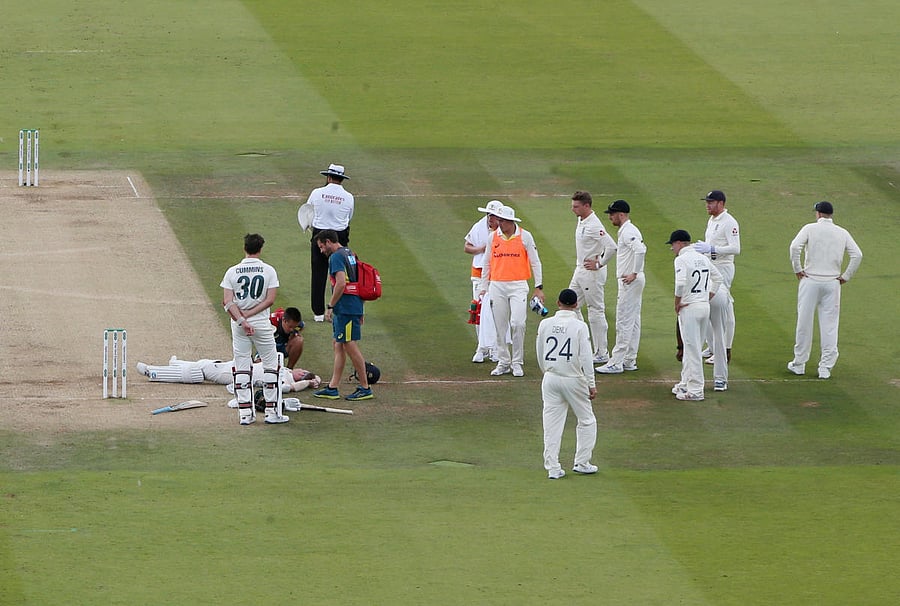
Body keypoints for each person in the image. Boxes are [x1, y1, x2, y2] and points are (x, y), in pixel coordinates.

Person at [787, 201, 863, 379]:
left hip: (810, 280)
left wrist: (797, 268)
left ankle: (799, 364)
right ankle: (825, 368)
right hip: (832, 283)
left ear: (819, 214)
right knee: (830, 325)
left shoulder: (809, 228)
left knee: (804, 322)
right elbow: (857, 255)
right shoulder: (842, 232)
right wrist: (846, 276)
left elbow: (794, 247)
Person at [220, 233, 288, 425]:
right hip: (261, 324)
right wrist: (250, 316)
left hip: (239, 324)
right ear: (261, 248)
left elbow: (227, 302)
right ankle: (271, 412)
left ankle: (245, 415)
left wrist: (242, 319)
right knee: (270, 365)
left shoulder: (232, 271)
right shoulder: (268, 271)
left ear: (245, 248)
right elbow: (270, 300)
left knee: (241, 365)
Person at [536, 288, 598, 479]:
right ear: (576, 305)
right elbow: (586, 357)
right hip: (573, 379)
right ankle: (582, 462)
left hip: (550, 377)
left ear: (558, 303)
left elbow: (539, 351)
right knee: (587, 420)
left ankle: (553, 468)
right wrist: (591, 383)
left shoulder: (545, 324)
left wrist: (546, 372)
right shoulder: (580, 326)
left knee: (551, 424)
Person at [479, 204, 544, 377]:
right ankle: (503, 361)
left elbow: (536, 262)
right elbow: (486, 263)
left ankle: (517, 362)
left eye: (503, 221)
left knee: (518, 323)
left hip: (518, 285)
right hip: (497, 285)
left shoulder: (525, 236)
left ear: (511, 221)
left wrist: (539, 287)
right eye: (498, 220)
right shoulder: (493, 238)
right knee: (500, 325)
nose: (499, 223)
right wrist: (483, 287)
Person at [312, 229, 374, 401]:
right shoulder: (349, 253)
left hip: (345, 308)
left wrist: (330, 305)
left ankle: (365, 387)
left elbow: (340, 284)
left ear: (328, 241)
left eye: (321, 246)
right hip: (351, 307)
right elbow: (357, 282)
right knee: (338, 344)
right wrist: (360, 308)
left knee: (349, 345)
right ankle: (333, 387)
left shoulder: (336, 257)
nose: (321, 250)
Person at [693, 189, 741, 389]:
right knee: (712, 305)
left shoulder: (729, 221)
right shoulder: (712, 221)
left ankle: (723, 348)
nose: (708, 205)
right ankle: (713, 346)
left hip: (723, 267)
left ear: (721, 203)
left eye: (711, 202)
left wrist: (712, 250)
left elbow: (735, 248)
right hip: (711, 266)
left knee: (723, 306)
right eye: (707, 202)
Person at [668, 230, 723, 401]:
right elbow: (718, 278)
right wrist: (707, 297)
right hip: (703, 307)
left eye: (672, 245)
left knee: (691, 350)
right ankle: (686, 383)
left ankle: (696, 390)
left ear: (679, 243)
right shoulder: (702, 258)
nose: (672, 249)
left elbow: (681, 283)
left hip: (689, 308)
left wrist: (677, 302)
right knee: (694, 347)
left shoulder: (681, 259)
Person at [596, 200, 646, 374]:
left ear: (621, 214)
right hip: (633, 280)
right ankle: (629, 359)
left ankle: (616, 362)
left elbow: (641, 250)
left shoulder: (628, 231)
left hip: (629, 281)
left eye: (612, 213)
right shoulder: (627, 230)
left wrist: (635, 272)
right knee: (633, 321)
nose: (610, 217)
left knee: (624, 320)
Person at [568, 191, 618, 365]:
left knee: (595, 310)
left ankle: (602, 352)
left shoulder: (594, 225)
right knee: (569, 306)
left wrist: (599, 263)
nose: (572, 209)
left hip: (591, 274)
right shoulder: (581, 219)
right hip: (580, 270)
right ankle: (584, 343)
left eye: (576, 206)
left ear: (587, 206)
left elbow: (611, 247)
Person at [300, 163, 354, 322]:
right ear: (341, 179)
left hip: (320, 234)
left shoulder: (317, 193)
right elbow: (349, 217)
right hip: (339, 236)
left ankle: (318, 313)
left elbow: (308, 211)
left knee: (318, 273)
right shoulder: (349, 197)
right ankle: (339, 307)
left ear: (329, 177)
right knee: (341, 274)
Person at [135, 357, 321, 392]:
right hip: (235, 366)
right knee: (205, 363)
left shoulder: (285, 380)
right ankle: (176, 364)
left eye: (303, 373)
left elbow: (294, 388)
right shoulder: (284, 369)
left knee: (200, 371)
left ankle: (154, 372)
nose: (301, 370)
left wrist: (307, 382)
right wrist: (315, 379)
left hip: (235, 374)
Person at [464, 200, 502, 363]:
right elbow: (467, 246)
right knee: (479, 311)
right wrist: (481, 249)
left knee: (497, 313)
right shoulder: (479, 226)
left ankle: (495, 349)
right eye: (488, 215)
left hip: (498, 275)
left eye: (493, 216)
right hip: (479, 274)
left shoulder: (506, 230)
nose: (490, 219)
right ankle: (482, 347)